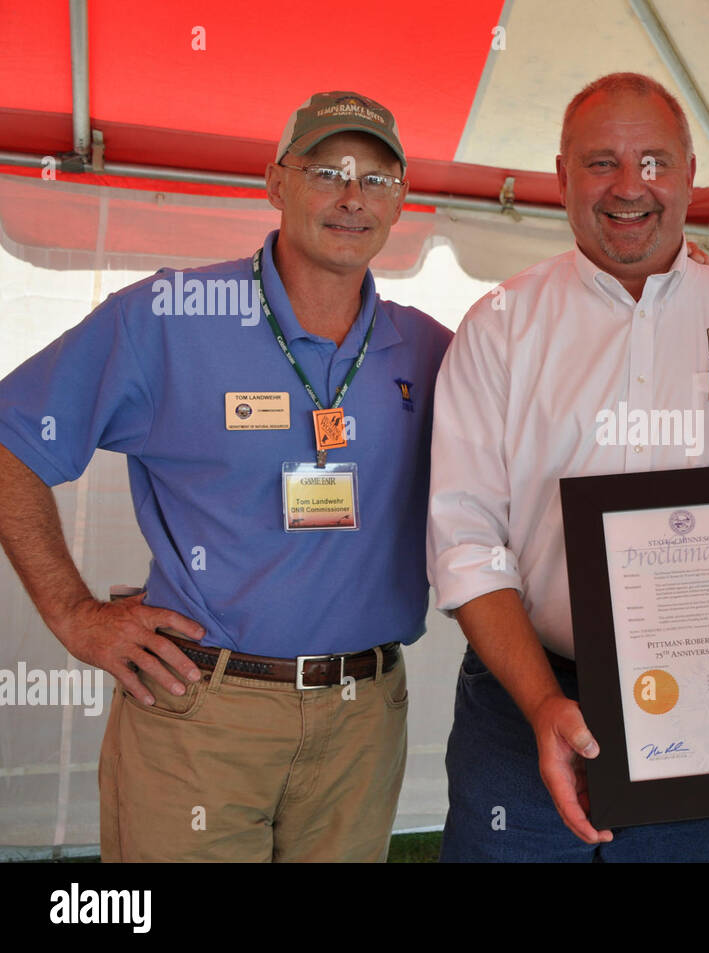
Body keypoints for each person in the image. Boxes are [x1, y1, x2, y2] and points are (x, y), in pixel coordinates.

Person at [0, 91, 453, 861]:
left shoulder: (431, 349)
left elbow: (545, 438)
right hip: (202, 715)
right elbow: (10, 440)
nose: (353, 197)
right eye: (328, 171)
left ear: (401, 199)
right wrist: (74, 613)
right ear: (276, 182)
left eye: (376, 178)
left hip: (363, 720)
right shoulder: (172, 317)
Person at [428, 72, 709, 862]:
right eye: (600, 163)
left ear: (690, 173)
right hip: (525, 701)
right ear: (560, 175)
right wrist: (544, 700)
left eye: (653, 162)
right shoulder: (500, 327)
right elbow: (464, 540)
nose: (630, 187)